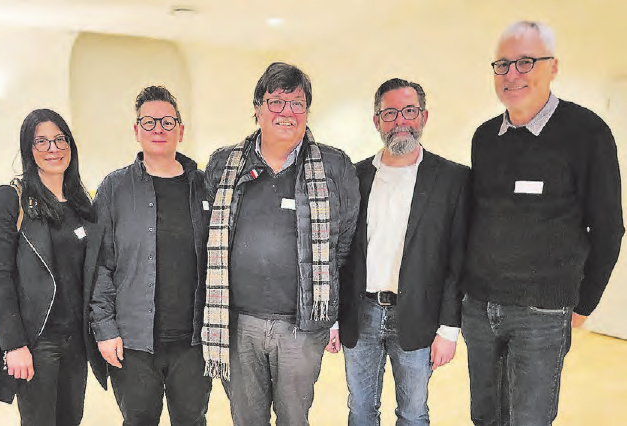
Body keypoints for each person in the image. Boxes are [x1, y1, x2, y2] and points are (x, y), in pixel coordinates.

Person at [461, 21, 624, 426]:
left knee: (529, 420)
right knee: (485, 417)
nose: (511, 74)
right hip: (479, 308)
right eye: (502, 64)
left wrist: (583, 305)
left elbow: (608, 228)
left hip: (541, 312)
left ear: (553, 67)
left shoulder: (587, 133)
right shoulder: (485, 137)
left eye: (526, 62)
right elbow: (480, 217)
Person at [203, 61, 360, 426]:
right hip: (237, 323)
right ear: (257, 108)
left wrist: (332, 313)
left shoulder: (334, 166)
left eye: (297, 103)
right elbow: (209, 235)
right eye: (276, 101)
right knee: (247, 419)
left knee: (294, 418)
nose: (287, 112)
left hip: (301, 327)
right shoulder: (224, 164)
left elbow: (343, 242)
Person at [337, 78, 470, 425]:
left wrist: (449, 329)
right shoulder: (354, 176)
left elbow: (457, 260)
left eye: (409, 111)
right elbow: (342, 253)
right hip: (361, 315)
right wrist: (334, 319)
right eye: (390, 113)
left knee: (413, 414)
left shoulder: (452, 179)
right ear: (376, 121)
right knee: (360, 411)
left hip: (419, 316)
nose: (400, 121)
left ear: (423, 116)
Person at [90, 86, 211, 425]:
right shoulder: (114, 188)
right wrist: (104, 328)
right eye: (149, 122)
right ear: (137, 130)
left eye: (167, 121)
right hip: (133, 343)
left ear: (180, 130)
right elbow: (99, 264)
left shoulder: (204, 186)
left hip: (194, 342)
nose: (159, 128)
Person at [0, 109, 106, 425]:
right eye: (42, 141)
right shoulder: (11, 199)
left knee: (70, 419)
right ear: (28, 148)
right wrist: (14, 345)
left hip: (77, 340)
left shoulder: (81, 203)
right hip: (37, 341)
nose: (53, 148)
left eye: (60, 139)